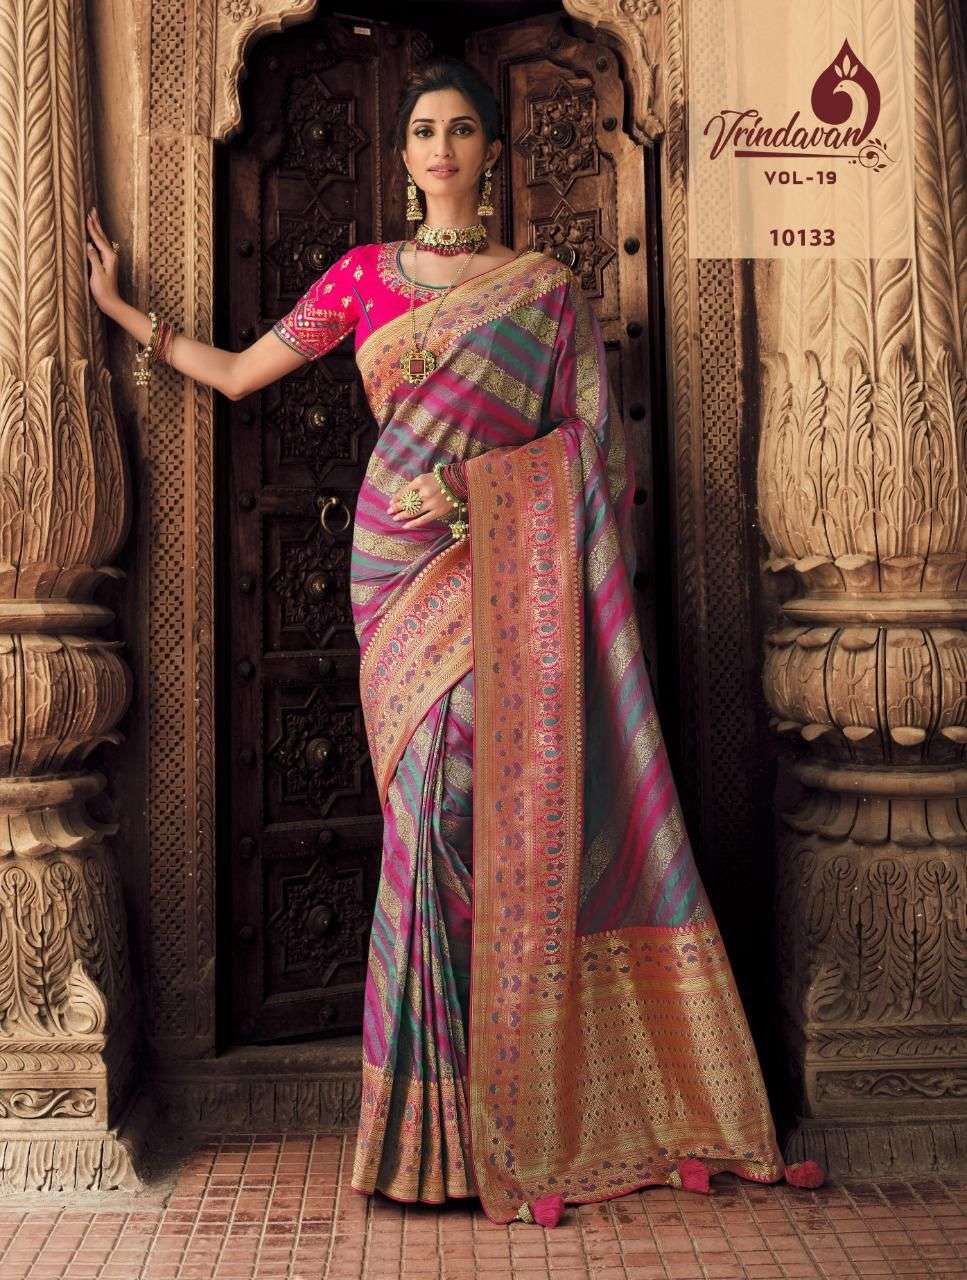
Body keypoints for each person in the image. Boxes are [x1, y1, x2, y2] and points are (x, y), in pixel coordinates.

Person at [87, 57, 821, 1227]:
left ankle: (500, 1105)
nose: (440, 146)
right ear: (403, 155)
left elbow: (597, 450)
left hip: (501, 564)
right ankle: (421, 1129)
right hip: (393, 572)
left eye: (461, 128)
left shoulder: (545, 291)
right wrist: (130, 315)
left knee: (467, 815)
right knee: (421, 820)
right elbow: (235, 373)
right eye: (424, 129)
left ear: (493, 151)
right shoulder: (363, 277)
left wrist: (481, 488)